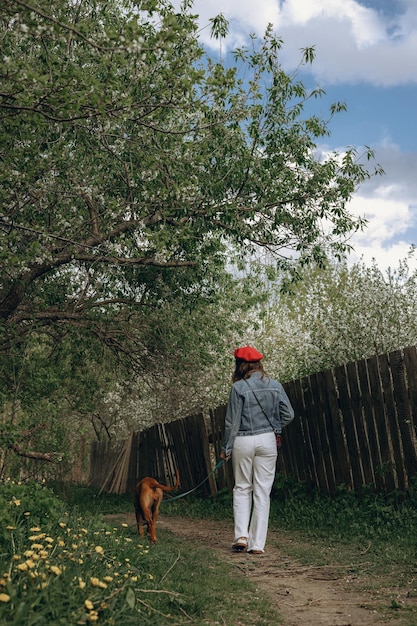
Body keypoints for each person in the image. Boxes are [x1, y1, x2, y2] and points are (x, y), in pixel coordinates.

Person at [220, 345, 294, 554]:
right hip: (268, 440)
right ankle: (257, 544)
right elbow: (289, 414)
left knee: (243, 487)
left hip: (243, 440)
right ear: (259, 364)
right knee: (263, 491)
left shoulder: (238, 388)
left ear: (240, 365)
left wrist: (226, 448)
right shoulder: (275, 385)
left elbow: (231, 423)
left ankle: (241, 535)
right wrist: (273, 427)